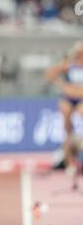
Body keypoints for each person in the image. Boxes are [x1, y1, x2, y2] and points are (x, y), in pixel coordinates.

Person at [45, 41, 83, 171]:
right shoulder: (69, 64)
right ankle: (69, 162)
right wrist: (62, 86)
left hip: (81, 100)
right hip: (68, 99)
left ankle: (77, 156)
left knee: (79, 120)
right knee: (67, 132)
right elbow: (50, 74)